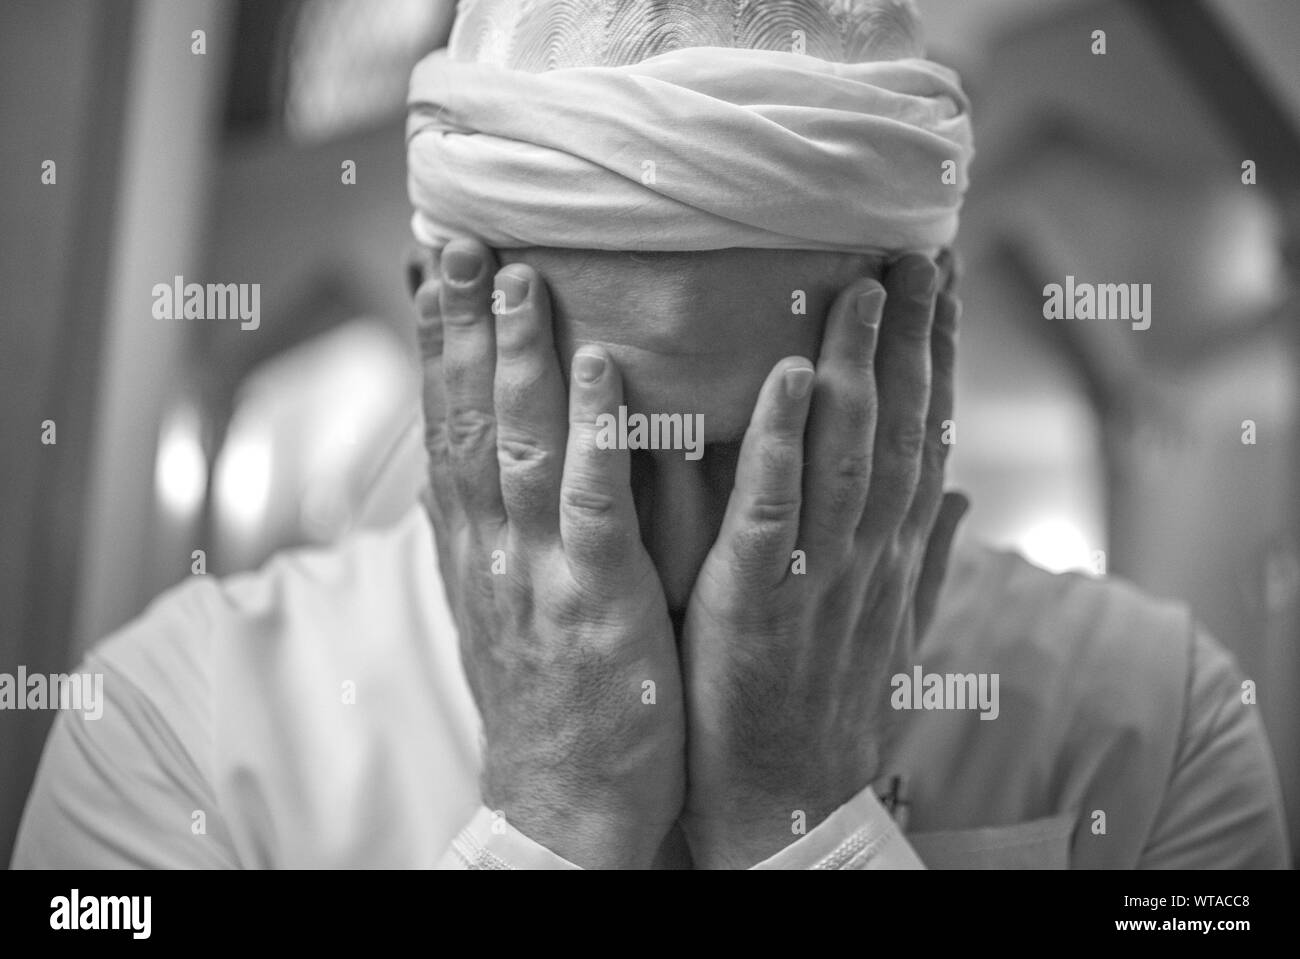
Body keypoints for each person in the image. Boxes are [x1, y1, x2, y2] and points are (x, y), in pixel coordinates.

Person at [13, 0, 1288, 869]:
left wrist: (802, 815)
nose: (676, 568)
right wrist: (552, 819)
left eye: (765, 465)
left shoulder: (1153, 725)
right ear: (444, 359)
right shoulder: (171, 728)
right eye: (599, 452)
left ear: (922, 381)